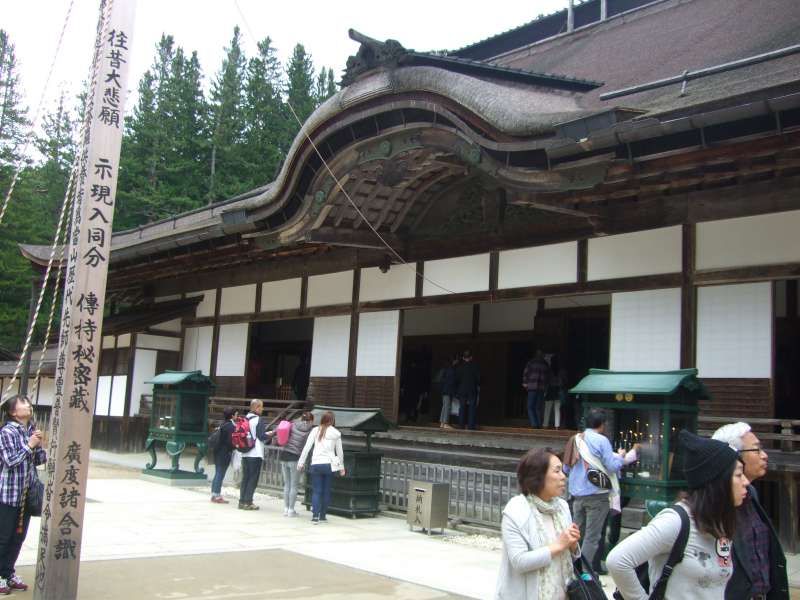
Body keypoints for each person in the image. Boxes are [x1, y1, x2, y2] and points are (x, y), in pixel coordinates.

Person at [608, 430, 749, 600]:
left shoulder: (720, 523)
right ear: (717, 481)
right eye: (739, 475)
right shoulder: (675, 521)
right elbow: (618, 561)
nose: (746, 482)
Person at [713, 422, 789, 600]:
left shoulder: (751, 494)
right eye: (756, 450)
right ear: (733, 456)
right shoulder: (712, 506)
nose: (764, 456)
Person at [495, 447, 581, 600]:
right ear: (538, 477)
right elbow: (519, 561)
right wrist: (558, 545)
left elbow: (570, 557)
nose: (563, 476)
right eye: (557, 471)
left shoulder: (561, 507)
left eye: (562, 471)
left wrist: (573, 545)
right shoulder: (516, 510)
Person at [566, 409, 634, 574]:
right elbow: (611, 466)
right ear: (602, 425)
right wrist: (621, 458)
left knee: (575, 532)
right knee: (592, 536)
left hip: (577, 494)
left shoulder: (575, 439)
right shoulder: (602, 441)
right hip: (597, 495)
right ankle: (584, 571)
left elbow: (566, 467)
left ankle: (569, 565)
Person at [0, 394, 46, 594]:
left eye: (28, 402)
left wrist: (39, 445)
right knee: (4, 537)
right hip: (9, 493)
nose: (28, 405)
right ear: (13, 412)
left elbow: (37, 461)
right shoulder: (7, 432)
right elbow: (10, 461)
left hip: (26, 493)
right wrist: (30, 445)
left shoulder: (30, 430)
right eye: (23, 403)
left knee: (19, 537)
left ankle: (7, 572)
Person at [298, 410, 345, 523]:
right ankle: (323, 515)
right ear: (333, 421)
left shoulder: (315, 430)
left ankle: (315, 516)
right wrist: (342, 467)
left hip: (316, 463)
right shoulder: (336, 433)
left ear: (322, 419)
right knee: (326, 491)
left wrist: (301, 462)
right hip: (329, 465)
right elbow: (340, 452)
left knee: (317, 491)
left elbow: (307, 447)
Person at [268, 411, 314, 517]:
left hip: (284, 455)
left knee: (287, 484)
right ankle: (291, 510)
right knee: (294, 485)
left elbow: (278, 430)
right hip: (295, 458)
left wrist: (271, 434)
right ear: (311, 420)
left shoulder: (292, 424)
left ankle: (285, 509)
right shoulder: (310, 430)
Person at [239, 399, 268, 510]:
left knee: (245, 477)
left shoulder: (245, 419)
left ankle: (242, 501)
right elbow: (261, 436)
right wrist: (270, 434)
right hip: (255, 453)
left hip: (245, 453)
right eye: (261, 407)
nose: (262, 409)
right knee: (253, 478)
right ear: (256, 407)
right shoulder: (258, 420)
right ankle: (248, 502)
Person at [210, 407, 236, 503]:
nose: (237, 416)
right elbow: (230, 442)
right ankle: (217, 495)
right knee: (220, 474)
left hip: (218, 451)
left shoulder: (222, 424)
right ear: (232, 416)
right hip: (225, 453)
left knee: (217, 473)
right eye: (236, 414)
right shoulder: (231, 427)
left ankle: (214, 493)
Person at [522, 349, 551, 429]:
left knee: (530, 406)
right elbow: (548, 377)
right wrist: (546, 386)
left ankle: (534, 424)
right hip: (541, 387)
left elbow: (526, 373)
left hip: (532, 387)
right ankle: (538, 424)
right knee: (538, 407)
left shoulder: (531, 362)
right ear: (543, 355)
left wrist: (525, 382)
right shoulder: (545, 364)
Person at [456, 350, 480, 430]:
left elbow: (457, 379)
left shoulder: (459, 367)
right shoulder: (475, 366)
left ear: (463, 358)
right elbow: (478, 379)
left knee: (462, 407)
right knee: (472, 408)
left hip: (462, 390)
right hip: (472, 389)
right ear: (471, 357)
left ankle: (461, 425)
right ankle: (470, 426)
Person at [438, 354, 458, 430]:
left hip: (444, 390)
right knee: (447, 406)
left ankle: (442, 423)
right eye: (456, 360)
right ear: (454, 361)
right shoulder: (451, 370)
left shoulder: (446, 368)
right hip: (448, 391)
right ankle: (445, 423)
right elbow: (451, 382)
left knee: (444, 406)